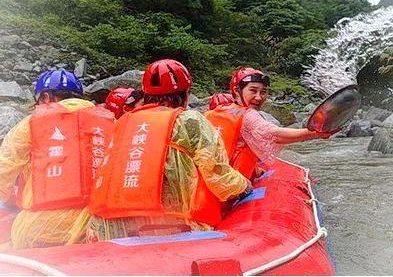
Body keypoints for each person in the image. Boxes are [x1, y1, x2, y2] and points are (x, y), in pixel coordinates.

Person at [87, 59, 251, 242]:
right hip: (166, 226)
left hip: (109, 227)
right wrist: (244, 186)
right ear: (185, 94)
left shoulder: (123, 122)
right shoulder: (189, 120)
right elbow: (217, 175)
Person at [0, 69, 115, 248]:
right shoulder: (111, 122)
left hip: (40, 230)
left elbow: (4, 168)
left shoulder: (30, 123)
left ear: (46, 96)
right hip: (100, 227)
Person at [204, 67, 338, 180]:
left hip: (215, 182)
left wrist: (255, 171)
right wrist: (314, 133)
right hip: (229, 188)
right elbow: (273, 134)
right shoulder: (248, 115)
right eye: (253, 90)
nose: (258, 97)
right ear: (237, 92)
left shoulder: (218, 112)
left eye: (263, 92)